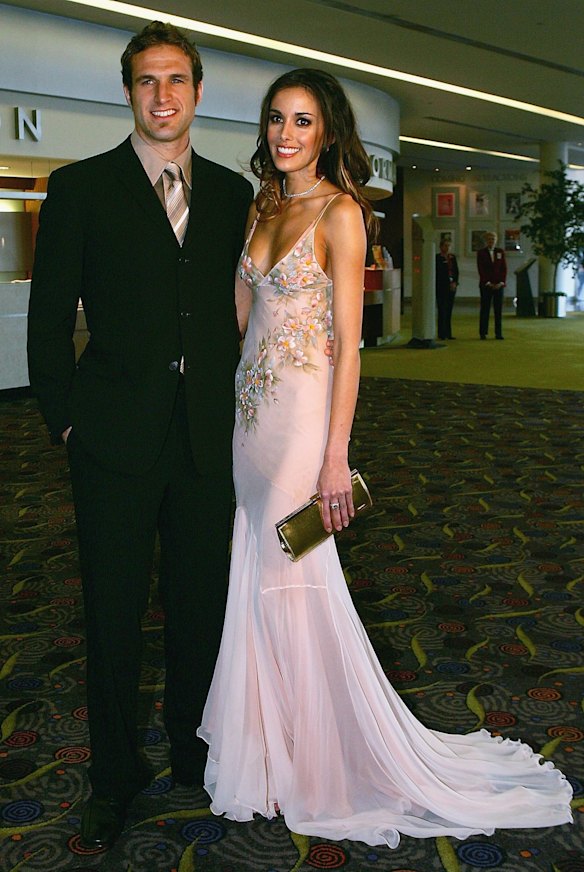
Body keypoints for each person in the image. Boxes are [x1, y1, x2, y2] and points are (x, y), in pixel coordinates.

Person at [197, 69, 572, 848]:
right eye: (275, 120)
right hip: (252, 418)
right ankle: (272, 749)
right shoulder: (262, 205)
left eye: (302, 121)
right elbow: (244, 314)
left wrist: (336, 458)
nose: (285, 134)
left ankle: (321, 766)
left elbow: (351, 350)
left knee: (292, 571)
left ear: (327, 131)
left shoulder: (342, 213)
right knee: (257, 568)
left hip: (303, 425)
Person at [27, 21, 253, 851]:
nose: (163, 95)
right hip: (112, 442)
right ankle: (115, 776)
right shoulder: (80, 187)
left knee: (201, 609)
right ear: (129, 92)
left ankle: (196, 754)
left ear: (197, 92)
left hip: (206, 442)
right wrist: (67, 421)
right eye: (147, 81)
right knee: (112, 617)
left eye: (177, 80)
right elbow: (49, 321)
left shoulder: (232, 194)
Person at [477, 230, 507, 339]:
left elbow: (504, 268)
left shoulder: (500, 252)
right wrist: (488, 283)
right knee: (485, 309)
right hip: (486, 285)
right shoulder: (481, 253)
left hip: (499, 285)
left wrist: (501, 282)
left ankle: (498, 333)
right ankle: (483, 333)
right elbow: (481, 269)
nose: (491, 241)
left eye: (493, 239)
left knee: (498, 310)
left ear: (496, 240)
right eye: (489, 239)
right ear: (486, 241)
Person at [435, 239, 459, 340]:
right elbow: (438, 273)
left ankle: (448, 333)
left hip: (451, 287)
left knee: (449, 310)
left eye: (449, 246)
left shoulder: (452, 258)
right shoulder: (437, 258)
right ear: (441, 247)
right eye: (445, 246)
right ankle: (441, 333)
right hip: (441, 287)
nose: (447, 248)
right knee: (442, 310)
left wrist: (454, 282)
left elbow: (456, 271)